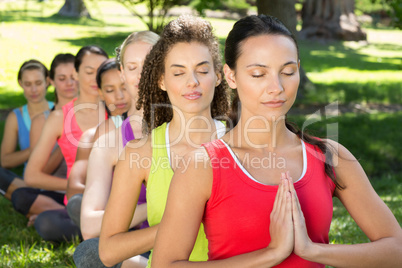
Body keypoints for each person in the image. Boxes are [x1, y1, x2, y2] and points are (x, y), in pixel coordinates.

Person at [152, 15, 402, 267]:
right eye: (259, 74)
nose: (277, 87)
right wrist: (271, 254)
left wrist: (312, 250)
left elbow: (396, 249)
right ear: (230, 76)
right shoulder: (201, 166)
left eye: (287, 71)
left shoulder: (329, 155)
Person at [98, 16, 230, 268]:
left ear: (218, 76)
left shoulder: (242, 144)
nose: (192, 81)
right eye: (178, 72)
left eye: (202, 70)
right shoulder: (140, 152)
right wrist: (177, 224)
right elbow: (108, 250)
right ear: (161, 80)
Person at [73, 30, 160, 268]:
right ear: (122, 73)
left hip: (197, 244)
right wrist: (155, 208)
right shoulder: (108, 144)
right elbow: (90, 226)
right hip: (145, 246)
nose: (143, 74)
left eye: (151, 63)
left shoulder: (190, 127)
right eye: (133, 67)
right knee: (90, 253)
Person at [22, 45, 109, 242]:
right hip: (78, 201)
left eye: (101, 70)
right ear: (76, 74)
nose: (96, 77)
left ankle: (103, 231)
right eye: (89, 72)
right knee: (46, 222)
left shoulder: (118, 111)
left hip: (116, 199)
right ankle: (101, 230)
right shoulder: (59, 118)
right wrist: (77, 188)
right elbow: (31, 175)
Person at [9, 53, 79, 226]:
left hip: (91, 189)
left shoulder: (95, 112)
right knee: (22, 196)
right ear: (52, 81)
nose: (69, 83)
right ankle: (66, 214)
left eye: (74, 77)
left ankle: (59, 216)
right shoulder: (43, 120)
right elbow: (38, 174)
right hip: (58, 188)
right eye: (62, 78)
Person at [66, 57, 132, 227]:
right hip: (110, 209)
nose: (119, 96)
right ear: (101, 93)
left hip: (140, 209)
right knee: (75, 207)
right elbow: (74, 188)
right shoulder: (102, 132)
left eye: (124, 87)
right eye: (110, 90)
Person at [0, 59, 53, 200]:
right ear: (20, 84)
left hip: (58, 178)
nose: (34, 90)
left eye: (38, 83)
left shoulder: (60, 110)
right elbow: (5, 161)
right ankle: (35, 199)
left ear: (47, 81)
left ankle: (35, 203)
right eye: (28, 84)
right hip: (29, 182)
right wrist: (35, 150)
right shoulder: (15, 117)